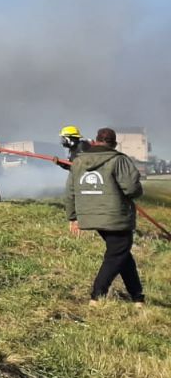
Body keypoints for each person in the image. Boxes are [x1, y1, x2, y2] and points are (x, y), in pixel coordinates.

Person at [65, 128, 145, 307]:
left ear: (95, 141)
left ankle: (137, 297)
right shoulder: (119, 160)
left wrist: (73, 217)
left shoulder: (78, 162)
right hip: (116, 217)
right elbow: (132, 189)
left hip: (90, 215)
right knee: (116, 254)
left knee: (122, 254)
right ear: (114, 144)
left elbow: (70, 192)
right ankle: (96, 296)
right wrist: (138, 190)